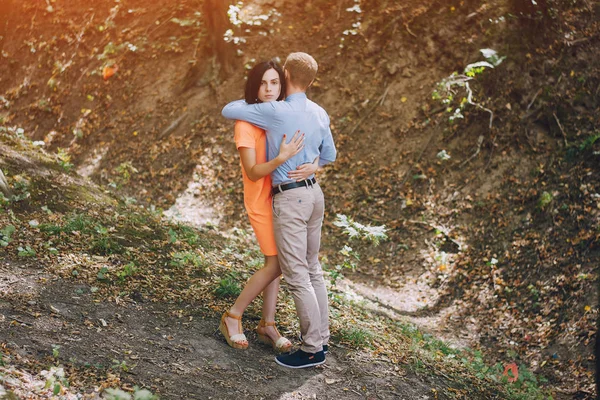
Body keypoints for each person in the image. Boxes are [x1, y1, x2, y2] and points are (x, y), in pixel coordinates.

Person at [222, 52, 336, 369]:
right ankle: (320, 339)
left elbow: (228, 109)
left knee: (297, 273)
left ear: (285, 74)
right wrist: (314, 164)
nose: (271, 87)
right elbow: (330, 154)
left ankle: (312, 348)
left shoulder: (275, 111)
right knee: (313, 269)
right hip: (314, 193)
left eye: (276, 80)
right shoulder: (319, 111)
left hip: (290, 198)